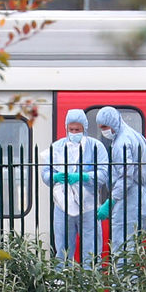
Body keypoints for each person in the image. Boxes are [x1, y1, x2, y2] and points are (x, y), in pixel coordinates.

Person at [41, 109, 109, 268]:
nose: (74, 133)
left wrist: (84, 177)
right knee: (62, 251)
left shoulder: (95, 147)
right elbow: (45, 173)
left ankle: (91, 286)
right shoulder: (57, 147)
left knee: (91, 252)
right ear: (66, 128)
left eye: (77, 130)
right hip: (62, 206)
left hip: (88, 206)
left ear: (84, 128)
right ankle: (62, 286)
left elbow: (104, 174)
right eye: (71, 129)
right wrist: (54, 177)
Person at [95, 106, 146, 261]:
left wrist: (110, 201)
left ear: (113, 122)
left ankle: (124, 285)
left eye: (105, 127)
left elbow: (126, 176)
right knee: (133, 247)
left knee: (122, 250)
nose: (104, 131)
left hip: (128, 201)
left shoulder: (121, 142)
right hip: (140, 198)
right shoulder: (136, 136)